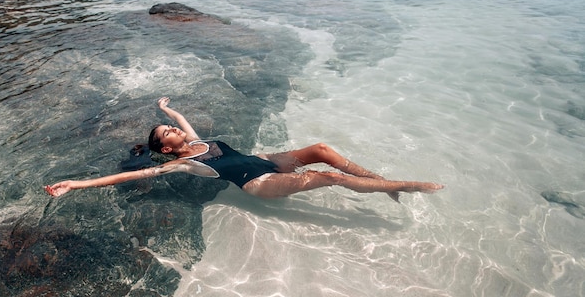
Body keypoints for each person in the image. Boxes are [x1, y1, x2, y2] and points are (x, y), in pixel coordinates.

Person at [45, 97, 444, 200]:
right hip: (259, 181)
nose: (172, 128)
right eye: (166, 130)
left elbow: (184, 120)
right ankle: (404, 185)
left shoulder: (197, 139)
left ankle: (379, 181)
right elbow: (130, 174)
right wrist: (76, 184)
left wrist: (165, 108)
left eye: (169, 126)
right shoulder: (181, 165)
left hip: (265, 159)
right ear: (166, 149)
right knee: (329, 177)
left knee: (321, 148)